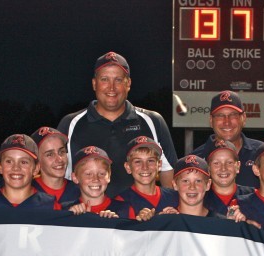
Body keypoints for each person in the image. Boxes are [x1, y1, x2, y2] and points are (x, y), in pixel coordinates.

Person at [58, 51, 177, 197]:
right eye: (105, 79)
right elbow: (59, 175)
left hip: (140, 216)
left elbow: (168, 171)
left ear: (128, 84)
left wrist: (170, 210)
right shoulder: (70, 123)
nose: (111, 88)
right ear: (94, 84)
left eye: (118, 80)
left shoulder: (153, 121)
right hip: (87, 215)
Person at [191, 91, 263, 188]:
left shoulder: (262, 153)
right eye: (220, 115)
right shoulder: (196, 159)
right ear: (211, 121)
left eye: (233, 115)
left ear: (243, 118)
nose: (227, 122)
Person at [0, 134, 56, 210]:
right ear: (0, 167)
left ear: (36, 169)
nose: (16, 168)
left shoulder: (51, 205)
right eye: (9, 161)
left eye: (24, 162)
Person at [114, 136, 179, 220]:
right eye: (138, 161)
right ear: (128, 167)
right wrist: (139, 223)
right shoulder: (120, 202)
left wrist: (178, 217)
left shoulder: (175, 197)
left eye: (150, 161)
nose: (145, 167)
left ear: (159, 165)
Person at [31, 126, 80, 210]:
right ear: (37, 161)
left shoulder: (80, 191)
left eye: (62, 152)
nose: (59, 159)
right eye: (50, 154)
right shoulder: (27, 191)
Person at [65, 146, 122, 218]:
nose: (96, 179)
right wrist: (69, 218)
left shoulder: (124, 210)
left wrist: (114, 223)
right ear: (75, 178)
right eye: (88, 174)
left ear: (109, 176)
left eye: (101, 174)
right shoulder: (66, 210)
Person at [203, 139, 254, 217]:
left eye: (229, 162)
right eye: (216, 163)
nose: (223, 168)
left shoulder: (254, 196)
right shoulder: (200, 197)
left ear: (237, 166)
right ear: (208, 168)